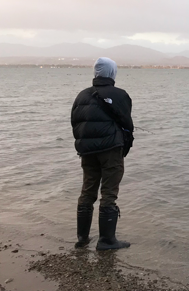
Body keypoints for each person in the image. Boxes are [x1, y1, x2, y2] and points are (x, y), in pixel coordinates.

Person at [70, 57, 134, 250]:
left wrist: (83, 146)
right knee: (109, 193)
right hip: (110, 150)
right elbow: (127, 125)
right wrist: (124, 148)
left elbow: (75, 123)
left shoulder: (81, 96)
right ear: (112, 73)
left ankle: (82, 238)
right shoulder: (119, 94)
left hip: (87, 152)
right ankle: (106, 241)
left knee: (87, 191)